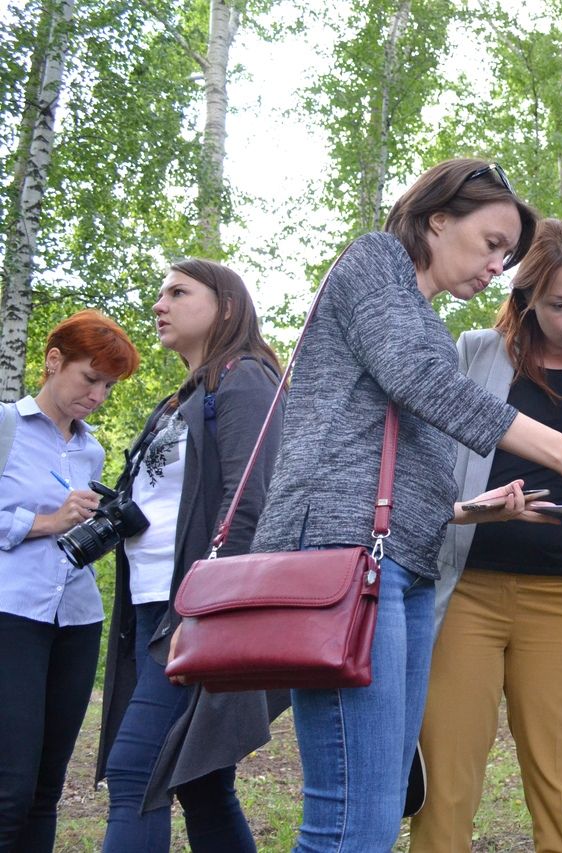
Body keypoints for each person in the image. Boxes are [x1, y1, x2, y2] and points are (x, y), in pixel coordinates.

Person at [250, 159, 562, 852]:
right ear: (438, 217)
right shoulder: (376, 262)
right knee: (352, 815)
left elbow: (407, 465)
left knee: (376, 813)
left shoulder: (423, 318)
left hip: (401, 568)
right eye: (492, 241)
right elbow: (430, 386)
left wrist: (469, 511)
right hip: (345, 563)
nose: (496, 264)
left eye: (507, 252)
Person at [410, 219, 562, 853]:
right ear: (526, 299)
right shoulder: (474, 352)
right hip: (467, 595)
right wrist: (473, 507)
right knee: (448, 779)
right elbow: (427, 465)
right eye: (560, 305)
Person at [93, 260, 286, 852]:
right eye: (159, 294)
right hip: (154, 608)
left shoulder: (247, 379)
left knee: (136, 773)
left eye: (178, 293)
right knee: (202, 783)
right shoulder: (181, 398)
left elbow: (247, 502)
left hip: (195, 613)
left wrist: (198, 611)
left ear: (226, 307)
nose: (160, 305)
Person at [0, 311, 138, 853]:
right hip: (12, 616)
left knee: (45, 789)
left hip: (78, 620)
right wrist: (47, 522)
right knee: (9, 787)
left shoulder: (92, 450)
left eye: (109, 385)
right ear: (54, 361)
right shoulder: (6, 427)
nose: (99, 394)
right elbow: (48, 523)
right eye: (91, 377)